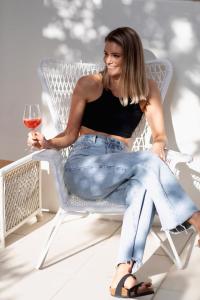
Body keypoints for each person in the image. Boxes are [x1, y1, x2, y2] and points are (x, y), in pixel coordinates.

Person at [28, 27, 200, 298]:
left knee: (142, 189)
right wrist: (47, 143)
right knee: (145, 163)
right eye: (106, 53)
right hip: (84, 166)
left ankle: (122, 275)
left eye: (115, 55)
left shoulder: (146, 88)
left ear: (131, 57)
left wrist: (158, 145)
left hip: (120, 164)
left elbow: (159, 135)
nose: (108, 60)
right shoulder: (89, 84)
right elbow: (70, 134)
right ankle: (194, 218)